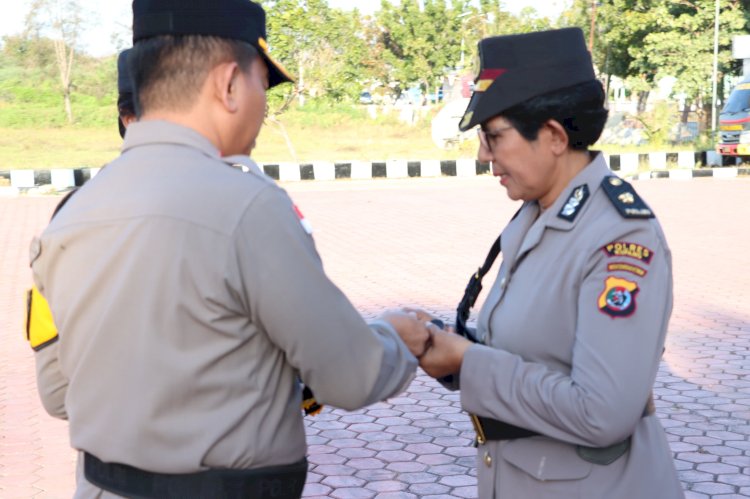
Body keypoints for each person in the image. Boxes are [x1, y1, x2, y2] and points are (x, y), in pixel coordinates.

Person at [28, 1, 429, 497]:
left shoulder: (71, 213)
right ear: (229, 85)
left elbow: (61, 393)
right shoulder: (249, 206)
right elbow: (350, 377)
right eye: (263, 83)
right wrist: (397, 337)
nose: (265, 103)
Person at [412, 28, 684, 498]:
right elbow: (537, 355)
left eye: (494, 137)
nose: (484, 156)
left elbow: (602, 413)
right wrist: (454, 352)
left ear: (554, 136)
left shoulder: (619, 236)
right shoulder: (536, 216)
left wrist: (472, 362)